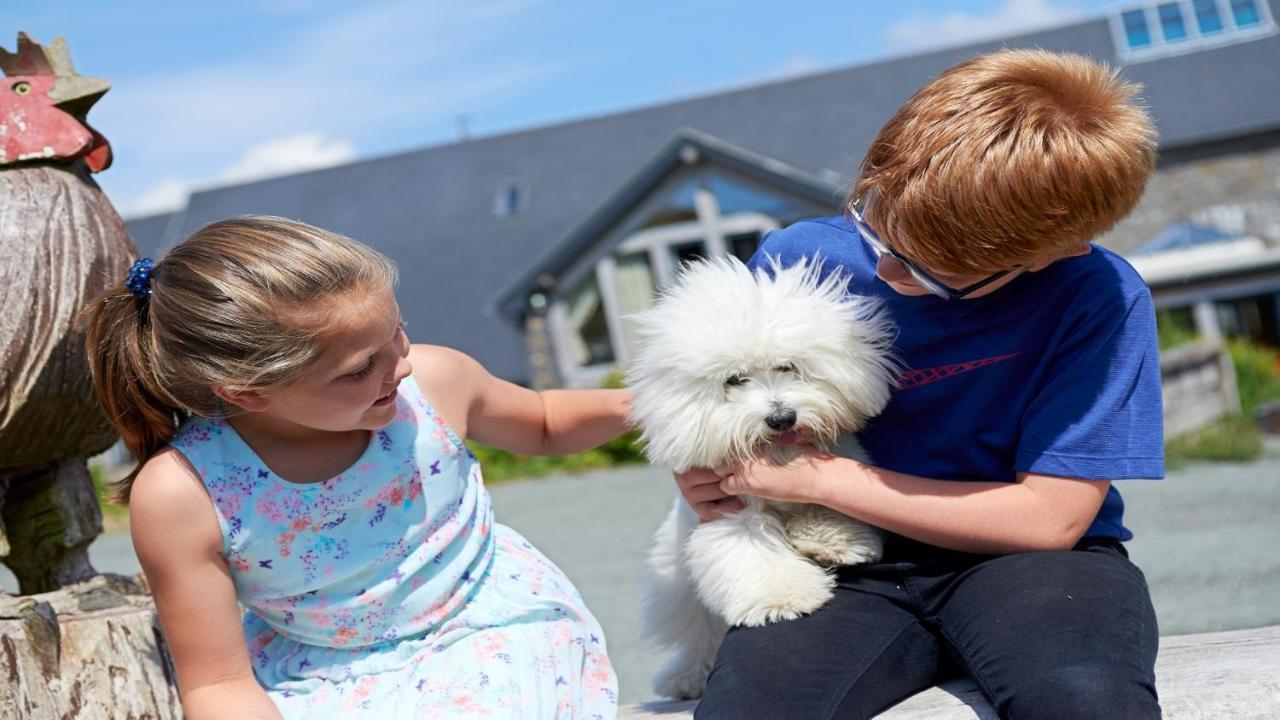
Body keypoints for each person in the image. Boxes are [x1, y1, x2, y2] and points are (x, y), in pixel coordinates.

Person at [678, 49, 1164, 719]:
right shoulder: (799, 258)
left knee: (1085, 700)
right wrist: (704, 469)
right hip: (840, 562)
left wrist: (820, 481)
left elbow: (1051, 520)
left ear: (1051, 254)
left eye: (923, 270)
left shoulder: (1097, 295)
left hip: (1033, 565)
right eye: (876, 224)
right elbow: (704, 396)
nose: (883, 271)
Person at [85, 217, 625, 720]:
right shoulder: (184, 494)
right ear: (247, 393)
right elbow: (218, 682)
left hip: (483, 627)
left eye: (397, 331)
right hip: (317, 672)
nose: (402, 364)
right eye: (360, 368)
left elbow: (546, 422)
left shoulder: (434, 384)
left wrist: (651, 406)